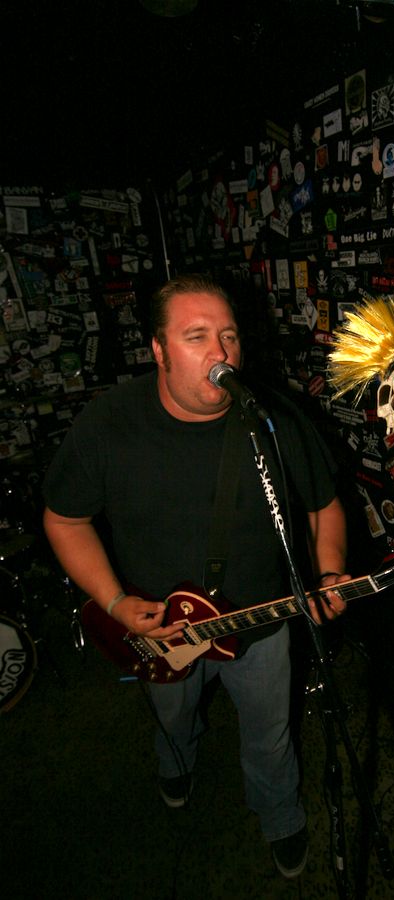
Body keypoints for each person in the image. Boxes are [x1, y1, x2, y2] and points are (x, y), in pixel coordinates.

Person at [42, 273, 350, 880]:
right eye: (197, 336)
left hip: (261, 623)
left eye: (229, 336)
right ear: (158, 349)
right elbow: (64, 520)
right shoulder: (109, 423)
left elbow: (324, 507)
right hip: (159, 628)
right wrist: (114, 602)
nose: (220, 351)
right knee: (174, 716)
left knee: (270, 736)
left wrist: (331, 570)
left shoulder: (270, 417)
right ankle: (174, 760)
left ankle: (280, 815)